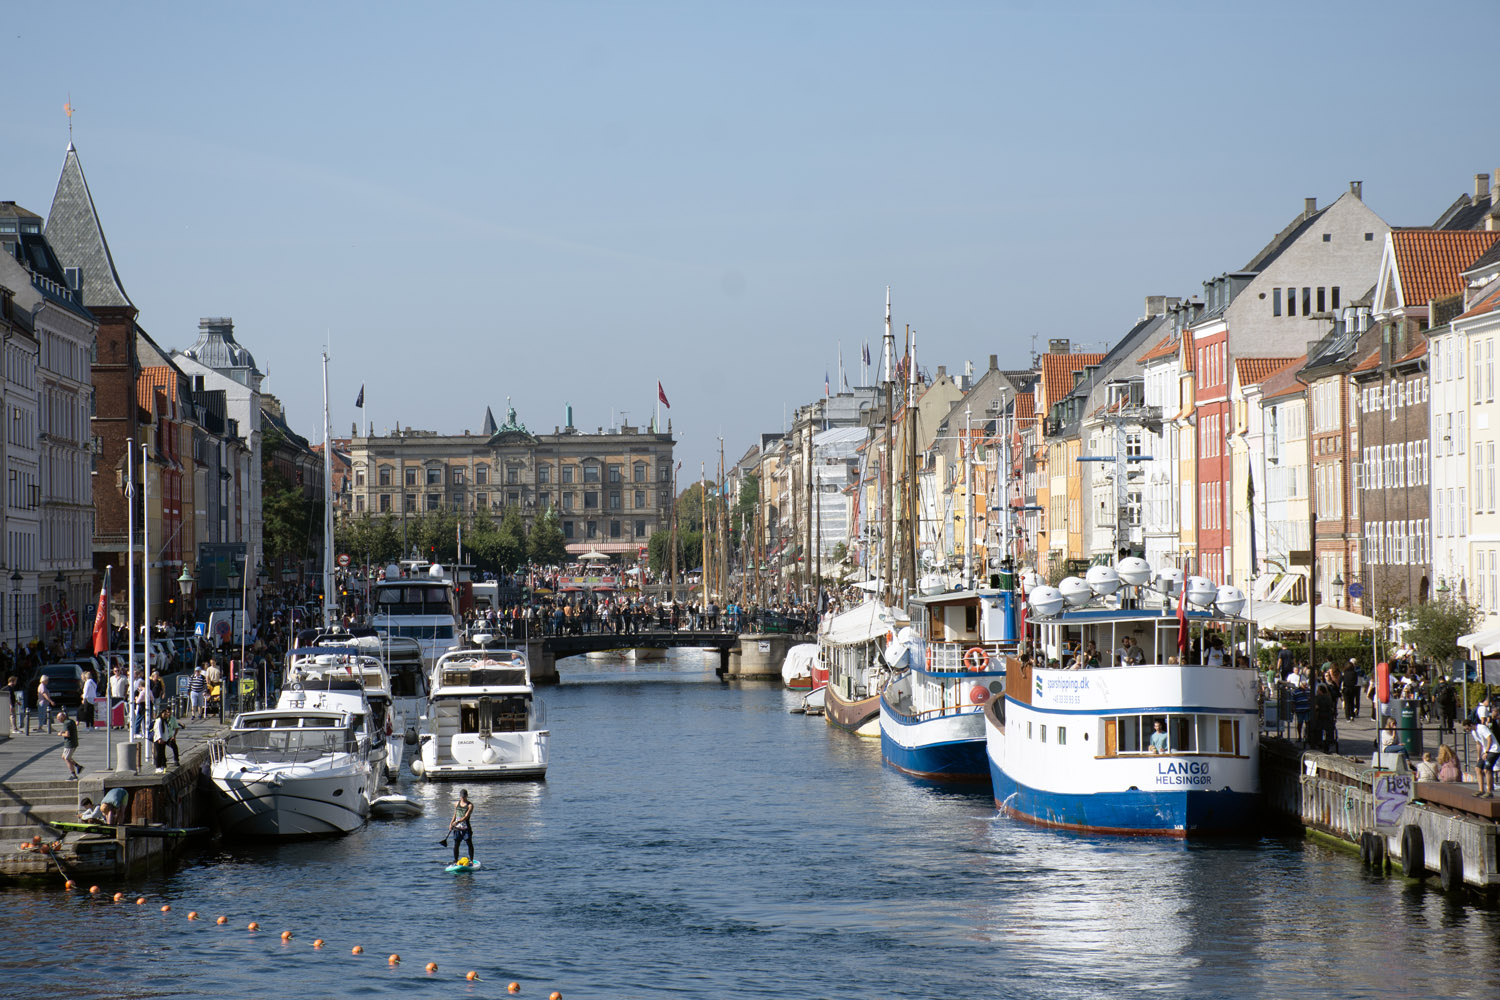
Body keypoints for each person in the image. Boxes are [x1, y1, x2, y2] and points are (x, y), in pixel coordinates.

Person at [1468, 717, 1497, 798]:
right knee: (1478, 768)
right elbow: (1478, 744)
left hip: (1494, 750)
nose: (1467, 730)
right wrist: (1478, 756)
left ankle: (1489, 791)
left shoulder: (1482, 728)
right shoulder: (1474, 732)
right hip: (1485, 752)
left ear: (1471, 725)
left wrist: (1487, 751)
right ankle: (1481, 790)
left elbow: (1489, 739)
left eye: (1467, 728)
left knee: (1487, 769)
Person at [448, 789, 475, 864]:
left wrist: (458, 821)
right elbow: (455, 814)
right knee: (456, 844)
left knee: (469, 843)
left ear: (466, 796)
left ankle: (471, 860)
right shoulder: (456, 803)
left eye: (464, 797)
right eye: (461, 797)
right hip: (457, 828)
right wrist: (451, 823)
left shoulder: (470, 805)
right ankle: (455, 860)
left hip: (466, 828)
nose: (462, 798)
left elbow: (466, 816)